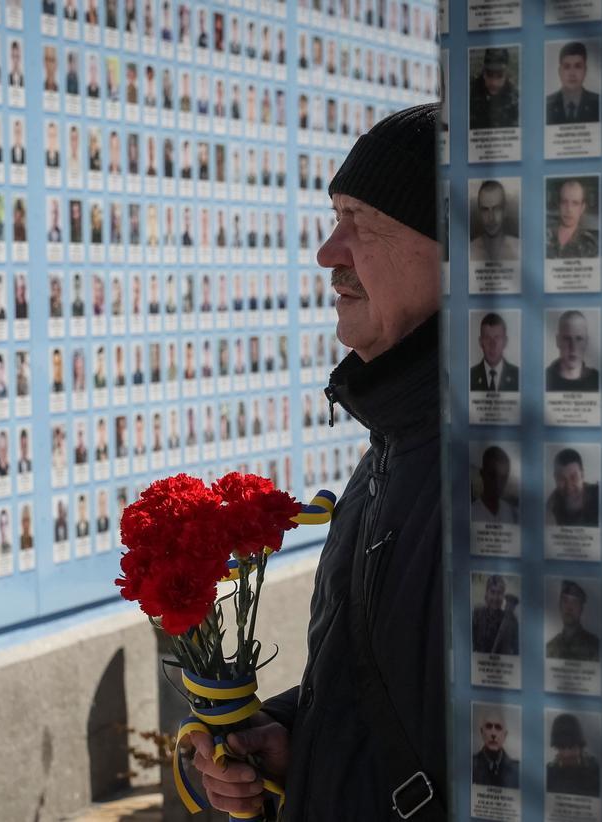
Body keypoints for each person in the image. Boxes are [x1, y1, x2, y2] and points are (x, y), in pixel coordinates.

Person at [187, 104, 446, 819]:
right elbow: (404, 695)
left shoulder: (490, 475)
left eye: (361, 221)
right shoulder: (392, 446)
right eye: (336, 216)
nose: (330, 251)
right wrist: (297, 734)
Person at [546, 714, 600, 797]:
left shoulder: (596, 772)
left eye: (572, 747)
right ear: (556, 747)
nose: (567, 754)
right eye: (562, 747)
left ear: (580, 746)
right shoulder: (549, 773)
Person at [545, 580, 600, 662]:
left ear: (581, 609)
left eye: (575, 602)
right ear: (559, 606)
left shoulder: (595, 646)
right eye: (565, 601)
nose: (569, 608)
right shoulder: (550, 647)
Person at [546, 42, 599, 125]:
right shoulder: (546, 105)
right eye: (567, 67)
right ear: (560, 71)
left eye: (578, 66)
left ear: (585, 70)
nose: (572, 73)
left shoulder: (599, 104)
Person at [546, 310, 599, 392]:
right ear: (558, 341)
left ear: (586, 342)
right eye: (567, 339)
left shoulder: (598, 380)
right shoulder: (544, 379)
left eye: (579, 339)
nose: (573, 347)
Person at [546, 178, 598, 259]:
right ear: (559, 204)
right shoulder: (543, 235)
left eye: (575, 203)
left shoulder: (590, 244)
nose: (569, 209)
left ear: (582, 208)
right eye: (564, 202)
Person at [547, 447, 599, 527]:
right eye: (561, 479)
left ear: (582, 475)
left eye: (573, 477)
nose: (569, 486)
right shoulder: (551, 507)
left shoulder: (599, 495)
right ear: (555, 478)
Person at [469, 48, 518, 129]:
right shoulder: (469, 93)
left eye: (499, 75)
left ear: (506, 73)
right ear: (484, 72)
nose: (494, 83)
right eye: (489, 74)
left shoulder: (515, 99)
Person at [470, 180, 519, 262]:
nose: (491, 218)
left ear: (505, 210)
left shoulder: (520, 248)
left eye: (496, 209)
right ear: (479, 212)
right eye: (485, 210)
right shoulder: (469, 250)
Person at [469, 313, 519, 392]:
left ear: (505, 342)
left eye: (497, 338)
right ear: (480, 342)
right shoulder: (469, 376)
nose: (492, 345)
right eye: (487, 338)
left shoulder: (518, 376)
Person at [472, 574, 519, 655]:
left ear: (503, 596)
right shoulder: (476, 614)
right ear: (486, 594)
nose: (496, 597)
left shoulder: (512, 621)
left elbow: (516, 651)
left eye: (499, 593)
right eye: (492, 592)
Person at [471, 709, 519, 788]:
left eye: (498, 727)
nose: (493, 733)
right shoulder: (470, 765)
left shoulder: (517, 771)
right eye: (489, 726)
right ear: (482, 732)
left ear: (505, 735)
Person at [471, 446, 518, 525]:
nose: (498, 482)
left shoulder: (511, 512)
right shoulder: (472, 512)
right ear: (482, 474)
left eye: (503, 477)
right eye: (493, 475)